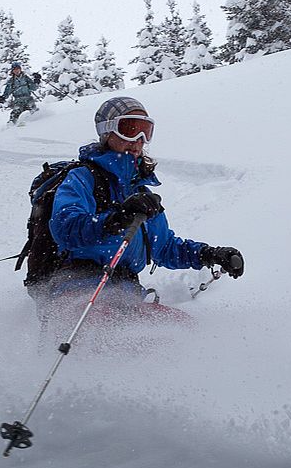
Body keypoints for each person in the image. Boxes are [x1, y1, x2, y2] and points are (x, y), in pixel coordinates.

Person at [36, 96, 243, 323]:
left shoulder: (140, 191)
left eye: (146, 131)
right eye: (130, 129)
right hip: (76, 286)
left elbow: (164, 248)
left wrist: (209, 254)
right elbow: (66, 228)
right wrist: (115, 219)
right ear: (107, 132)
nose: (138, 140)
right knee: (109, 332)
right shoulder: (83, 178)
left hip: (126, 293)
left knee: (183, 330)